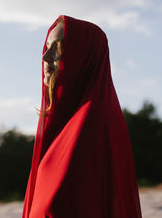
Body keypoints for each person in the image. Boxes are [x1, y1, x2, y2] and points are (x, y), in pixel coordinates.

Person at [22, 15, 142, 218]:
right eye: (47, 47)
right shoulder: (73, 115)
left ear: (82, 56)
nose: (45, 57)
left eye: (58, 49)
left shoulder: (92, 119)